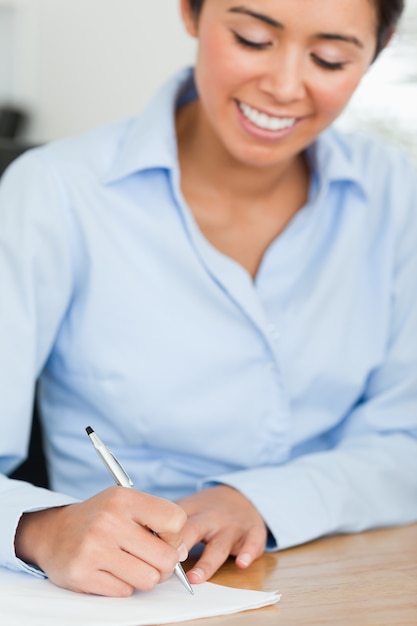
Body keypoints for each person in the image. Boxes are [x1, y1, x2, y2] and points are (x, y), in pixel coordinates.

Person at [0, 0, 416, 598]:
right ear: (191, 13)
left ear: (379, 47)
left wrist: (257, 500)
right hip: (133, 593)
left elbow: (406, 440)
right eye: (251, 39)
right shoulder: (56, 193)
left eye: (329, 57)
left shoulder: (396, 194)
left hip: (350, 576)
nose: (283, 85)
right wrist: (41, 530)